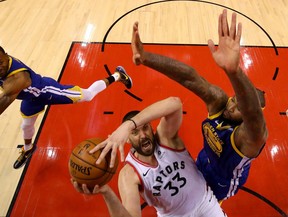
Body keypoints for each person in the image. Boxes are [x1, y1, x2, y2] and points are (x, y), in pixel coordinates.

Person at [94, 9, 268, 202]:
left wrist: (235, 72)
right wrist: (146, 58)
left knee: (202, 206)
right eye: (235, 99)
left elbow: (253, 115)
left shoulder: (249, 138)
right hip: (204, 159)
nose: (232, 106)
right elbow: (190, 78)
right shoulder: (221, 102)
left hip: (221, 181)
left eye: (239, 109)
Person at [73, 96, 227, 217]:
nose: (143, 135)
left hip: (206, 203)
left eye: (145, 127)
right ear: (127, 139)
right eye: (134, 133)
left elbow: (175, 103)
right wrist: (107, 193)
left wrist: (129, 125)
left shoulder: (166, 138)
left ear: (150, 126)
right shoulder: (129, 174)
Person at [0, 46, 132, 169]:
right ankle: (28, 148)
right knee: (26, 126)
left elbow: (4, 100)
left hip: (47, 91)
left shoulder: (18, 77)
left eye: (1, 62)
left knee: (88, 95)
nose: (0, 67)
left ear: (6, 55)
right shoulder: (4, 68)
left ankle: (118, 75)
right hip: (31, 98)